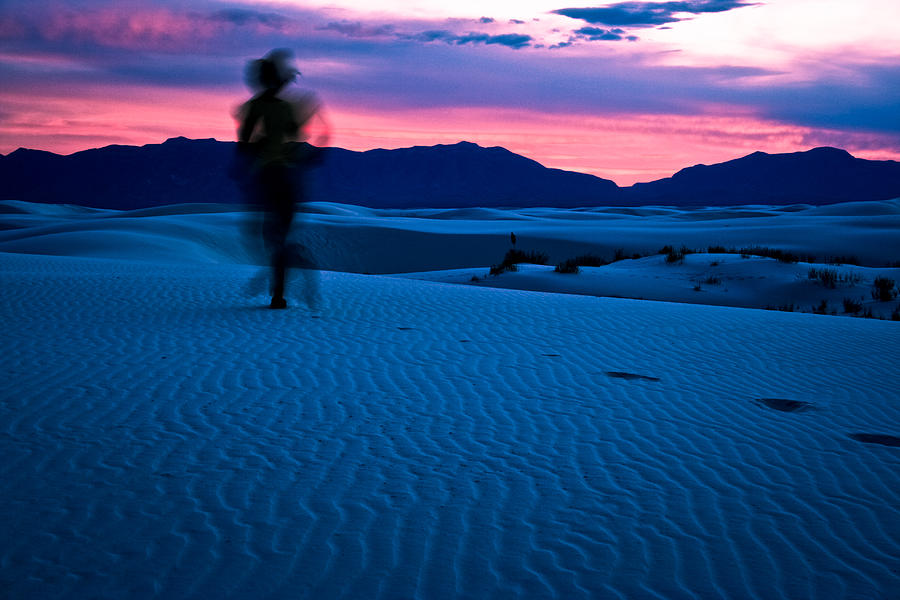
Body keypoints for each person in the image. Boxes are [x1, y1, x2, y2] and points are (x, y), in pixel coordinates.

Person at [235, 49, 329, 309]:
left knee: (270, 237)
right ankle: (282, 288)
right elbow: (295, 134)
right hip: (288, 176)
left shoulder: (255, 107)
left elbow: (244, 141)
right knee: (279, 236)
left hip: (267, 176)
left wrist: (257, 147)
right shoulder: (285, 107)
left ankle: (280, 289)